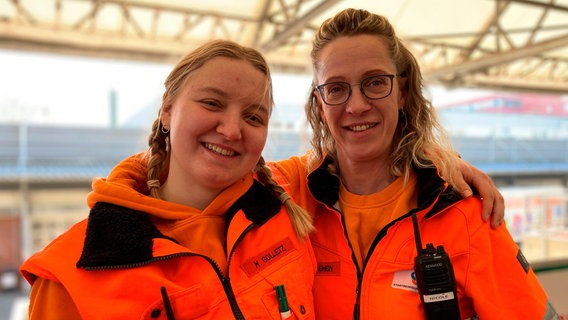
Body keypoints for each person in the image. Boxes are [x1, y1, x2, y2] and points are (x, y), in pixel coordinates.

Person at [269, 8, 559, 320]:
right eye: (337, 89)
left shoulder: (462, 210)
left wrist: (433, 168)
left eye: (375, 82)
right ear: (319, 104)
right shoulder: (292, 194)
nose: (356, 106)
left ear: (403, 92)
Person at [20, 40, 318, 319]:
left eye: (253, 117)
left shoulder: (286, 204)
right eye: (212, 103)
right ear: (167, 109)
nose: (231, 131)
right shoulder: (71, 274)